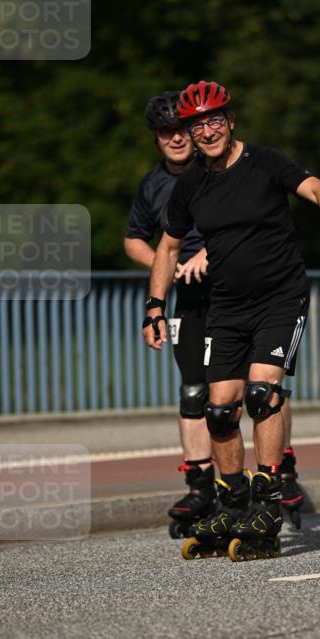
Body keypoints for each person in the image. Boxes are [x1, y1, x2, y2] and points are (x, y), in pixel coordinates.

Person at [144, 80, 320, 561]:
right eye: (197, 125)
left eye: (215, 119)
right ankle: (233, 500)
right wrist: (154, 306)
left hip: (281, 298)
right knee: (219, 412)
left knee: (262, 394)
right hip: (227, 307)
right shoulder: (191, 185)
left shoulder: (265, 162)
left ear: (231, 120)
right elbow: (169, 247)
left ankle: (267, 500)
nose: (207, 131)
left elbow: (319, 187)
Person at [125, 92, 215, 538]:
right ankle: (201, 485)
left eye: (182, 129)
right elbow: (135, 240)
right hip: (189, 297)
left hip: (237, 289)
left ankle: (278, 470)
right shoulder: (152, 185)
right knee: (194, 392)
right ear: (157, 139)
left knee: (255, 390)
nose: (176, 138)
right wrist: (170, 268)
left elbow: (252, 222)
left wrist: (210, 256)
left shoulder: (218, 168)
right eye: (166, 132)